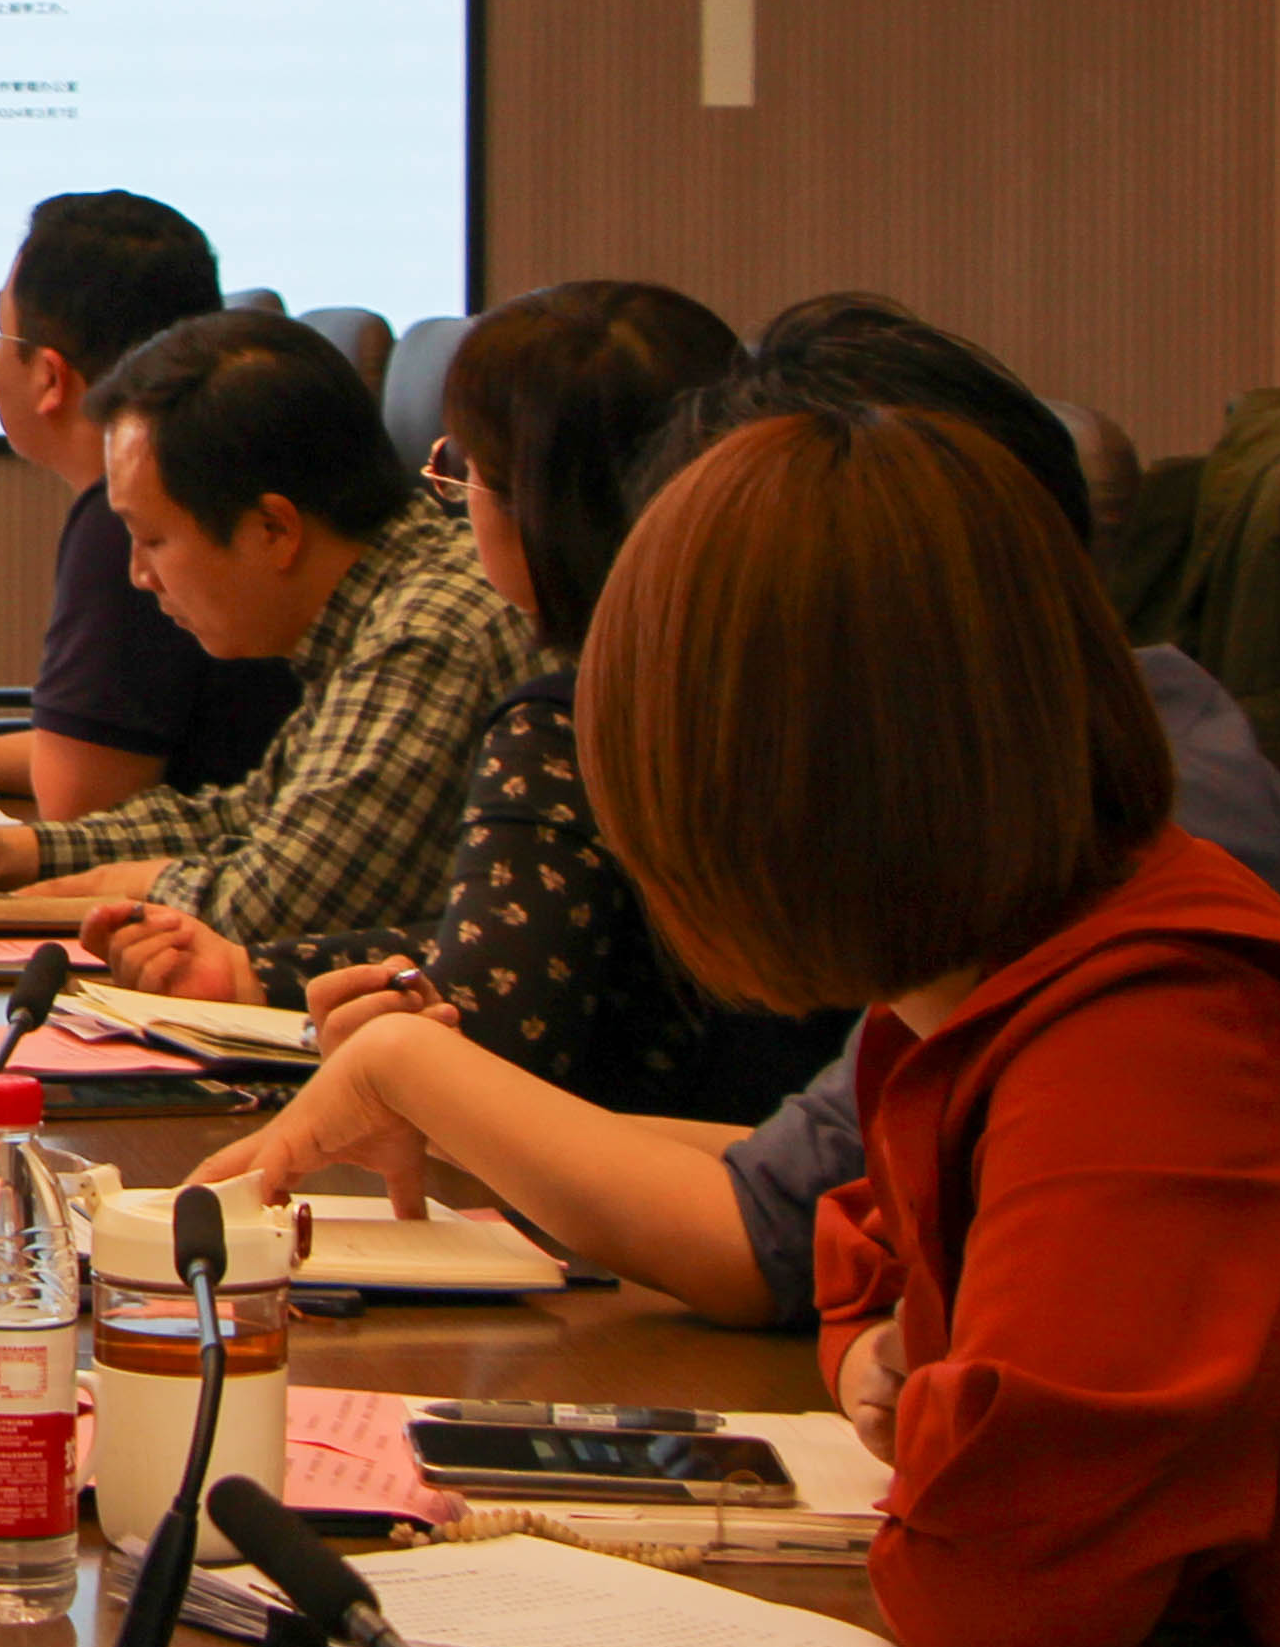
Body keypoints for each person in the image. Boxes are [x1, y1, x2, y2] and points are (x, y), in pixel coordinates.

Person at [195, 290, 1280, 1326]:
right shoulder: (1051, 802)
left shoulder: (1125, 925)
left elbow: (778, 1243)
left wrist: (419, 1069)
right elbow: (816, 1190)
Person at [592, 409, 1280, 1647]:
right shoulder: (1010, 964)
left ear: (763, 793)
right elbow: (860, 1256)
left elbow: (1002, 1601)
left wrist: (926, 1389)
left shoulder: (1149, 1033)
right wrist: (903, 1365)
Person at [78, 283, 851, 1122]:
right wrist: (252, 973)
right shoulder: (765, 676)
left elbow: (486, 1031)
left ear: (541, 508)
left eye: (465, 469)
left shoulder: (561, 712)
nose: (449, 498)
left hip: (666, 1172)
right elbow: (522, 932)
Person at [0, 310, 534, 948]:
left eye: (153, 539)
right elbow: (252, 816)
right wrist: (16, 851)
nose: (139, 575)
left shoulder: (425, 636)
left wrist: (102, 885)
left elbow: (270, 905)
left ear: (273, 529)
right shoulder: (372, 601)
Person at [0, 193, 294, 821]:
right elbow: (118, 746)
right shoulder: (218, 478)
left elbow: (81, 805)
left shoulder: (124, 526)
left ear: (49, 377)